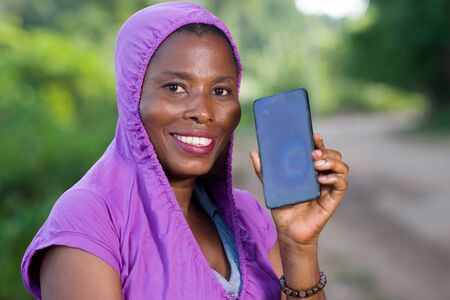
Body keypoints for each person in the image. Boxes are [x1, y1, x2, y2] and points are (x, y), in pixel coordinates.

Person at [21, 2, 349, 299]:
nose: (203, 111)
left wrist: (298, 245)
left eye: (220, 90)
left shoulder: (249, 217)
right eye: (176, 88)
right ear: (132, 93)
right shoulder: (90, 219)